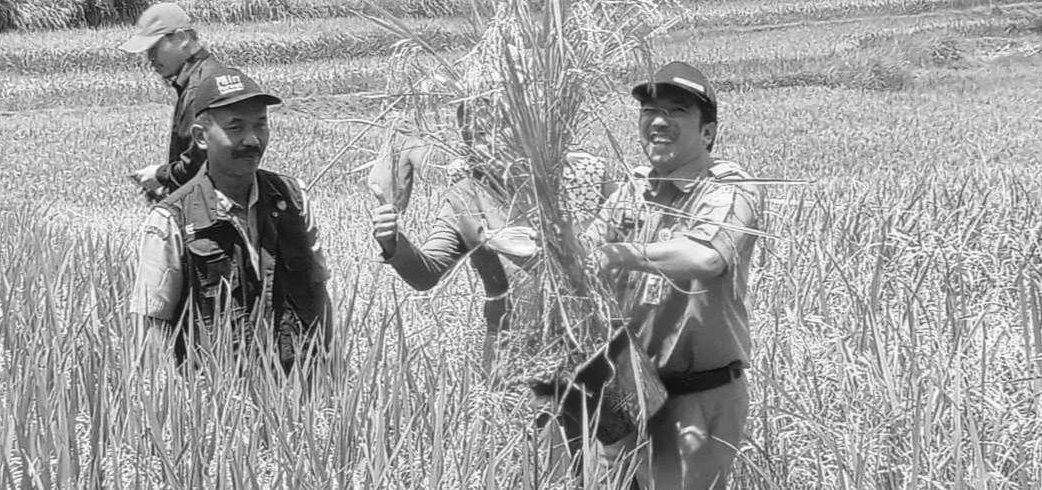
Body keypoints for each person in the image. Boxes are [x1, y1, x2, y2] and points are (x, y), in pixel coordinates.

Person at [578, 61, 765, 489]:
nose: (659, 121)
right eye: (650, 110)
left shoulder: (728, 188)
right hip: (626, 392)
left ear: (708, 132)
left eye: (677, 110)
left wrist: (622, 254)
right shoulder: (633, 190)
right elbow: (586, 257)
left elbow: (706, 257)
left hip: (696, 397)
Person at [370, 97, 613, 372]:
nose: (488, 143)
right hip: (509, 354)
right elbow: (425, 275)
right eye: (477, 135)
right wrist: (393, 241)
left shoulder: (583, 177)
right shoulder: (467, 196)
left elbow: (627, 256)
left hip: (593, 345)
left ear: (530, 124)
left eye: (500, 127)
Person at [130, 67, 334, 372]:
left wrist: (332, 372)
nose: (252, 140)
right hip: (216, 392)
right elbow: (151, 326)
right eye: (235, 128)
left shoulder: (293, 198)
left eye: (261, 124)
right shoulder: (171, 220)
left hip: (296, 387)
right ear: (201, 137)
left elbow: (318, 291)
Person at [119, 2, 226, 200]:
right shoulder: (208, 75)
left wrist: (162, 176)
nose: (149, 58)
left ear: (182, 38)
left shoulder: (198, 88)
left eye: (154, 48)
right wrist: (168, 186)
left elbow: (201, 164)